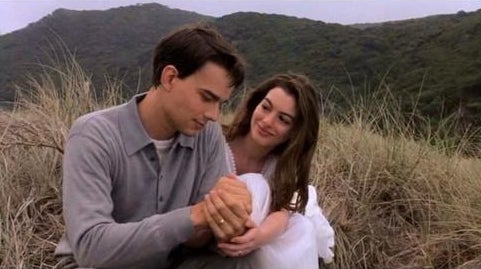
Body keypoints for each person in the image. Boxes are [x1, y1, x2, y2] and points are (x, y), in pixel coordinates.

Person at [54, 24, 254, 269]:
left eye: (221, 103)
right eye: (206, 97)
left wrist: (229, 222)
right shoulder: (94, 134)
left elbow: (205, 230)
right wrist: (195, 216)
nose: (214, 114)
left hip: (171, 261)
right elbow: (91, 247)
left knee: (243, 261)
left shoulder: (208, 134)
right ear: (169, 77)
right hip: (96, 265)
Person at [205, 73, 335, 268]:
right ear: (255, 104)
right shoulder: (216, 142)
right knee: (254, 185)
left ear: (294, 131)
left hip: (251, 242)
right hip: (207, 231)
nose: (267, 121)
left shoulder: (280, 166)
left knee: (301, 226)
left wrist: (258, 237)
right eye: (265, 107)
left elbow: (281, 214)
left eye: (283, 119)